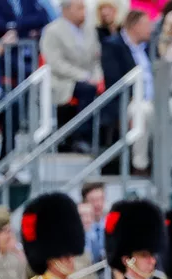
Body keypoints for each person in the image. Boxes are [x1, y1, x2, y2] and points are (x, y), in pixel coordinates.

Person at [40, 0, 101, 152]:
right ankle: (81, 138)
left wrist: (96, 77)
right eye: (79, 8)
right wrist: (83, 75)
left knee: (99, 88)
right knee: (87, 90)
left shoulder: (90, 29)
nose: (84, 12)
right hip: (61, 80)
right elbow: (55, 63)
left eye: (84, 8)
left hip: (88, 79)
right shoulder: (52, 31)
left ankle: (102, 138)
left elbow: (97, 59)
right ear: (66, 10)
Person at [100, 9, 155, 172]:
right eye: (147, 25)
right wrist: (133, 97)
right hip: (127, 101)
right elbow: (113, 78)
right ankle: (140, 165)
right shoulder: (112, 45)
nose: (150, 29)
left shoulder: (149, 47)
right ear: (135, 26)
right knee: (142, 111)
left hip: (154, 100)